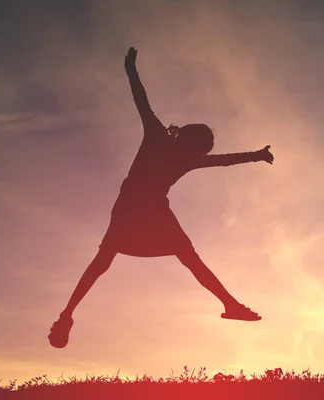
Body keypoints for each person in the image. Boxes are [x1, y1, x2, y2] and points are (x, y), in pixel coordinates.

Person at [48, 47, 274, 349]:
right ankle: (66, 317)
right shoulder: (163, 140)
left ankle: (67, 315)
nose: (200, 155)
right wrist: (131, 72)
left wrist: (256, 155)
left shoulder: (178, 151)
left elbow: (222, 159)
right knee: (116, 261)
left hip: (143, 209)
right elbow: (142, 101)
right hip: (138, 210)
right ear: (191, 141)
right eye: (200, 148)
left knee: (120, 261)